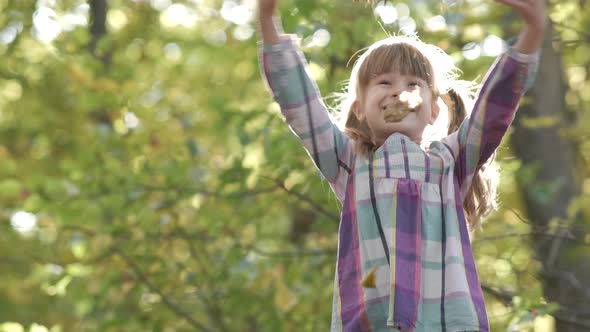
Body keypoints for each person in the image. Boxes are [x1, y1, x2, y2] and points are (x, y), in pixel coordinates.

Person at [257, 0, 546, 330]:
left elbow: (493, 112)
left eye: (413, 84)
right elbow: (300, 107)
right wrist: (267, 18)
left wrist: (533, 32)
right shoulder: (350, 164)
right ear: (361, 109)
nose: (399, 92)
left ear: (434, 111)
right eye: (384, 82)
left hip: (446, 323)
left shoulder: (450, 164)